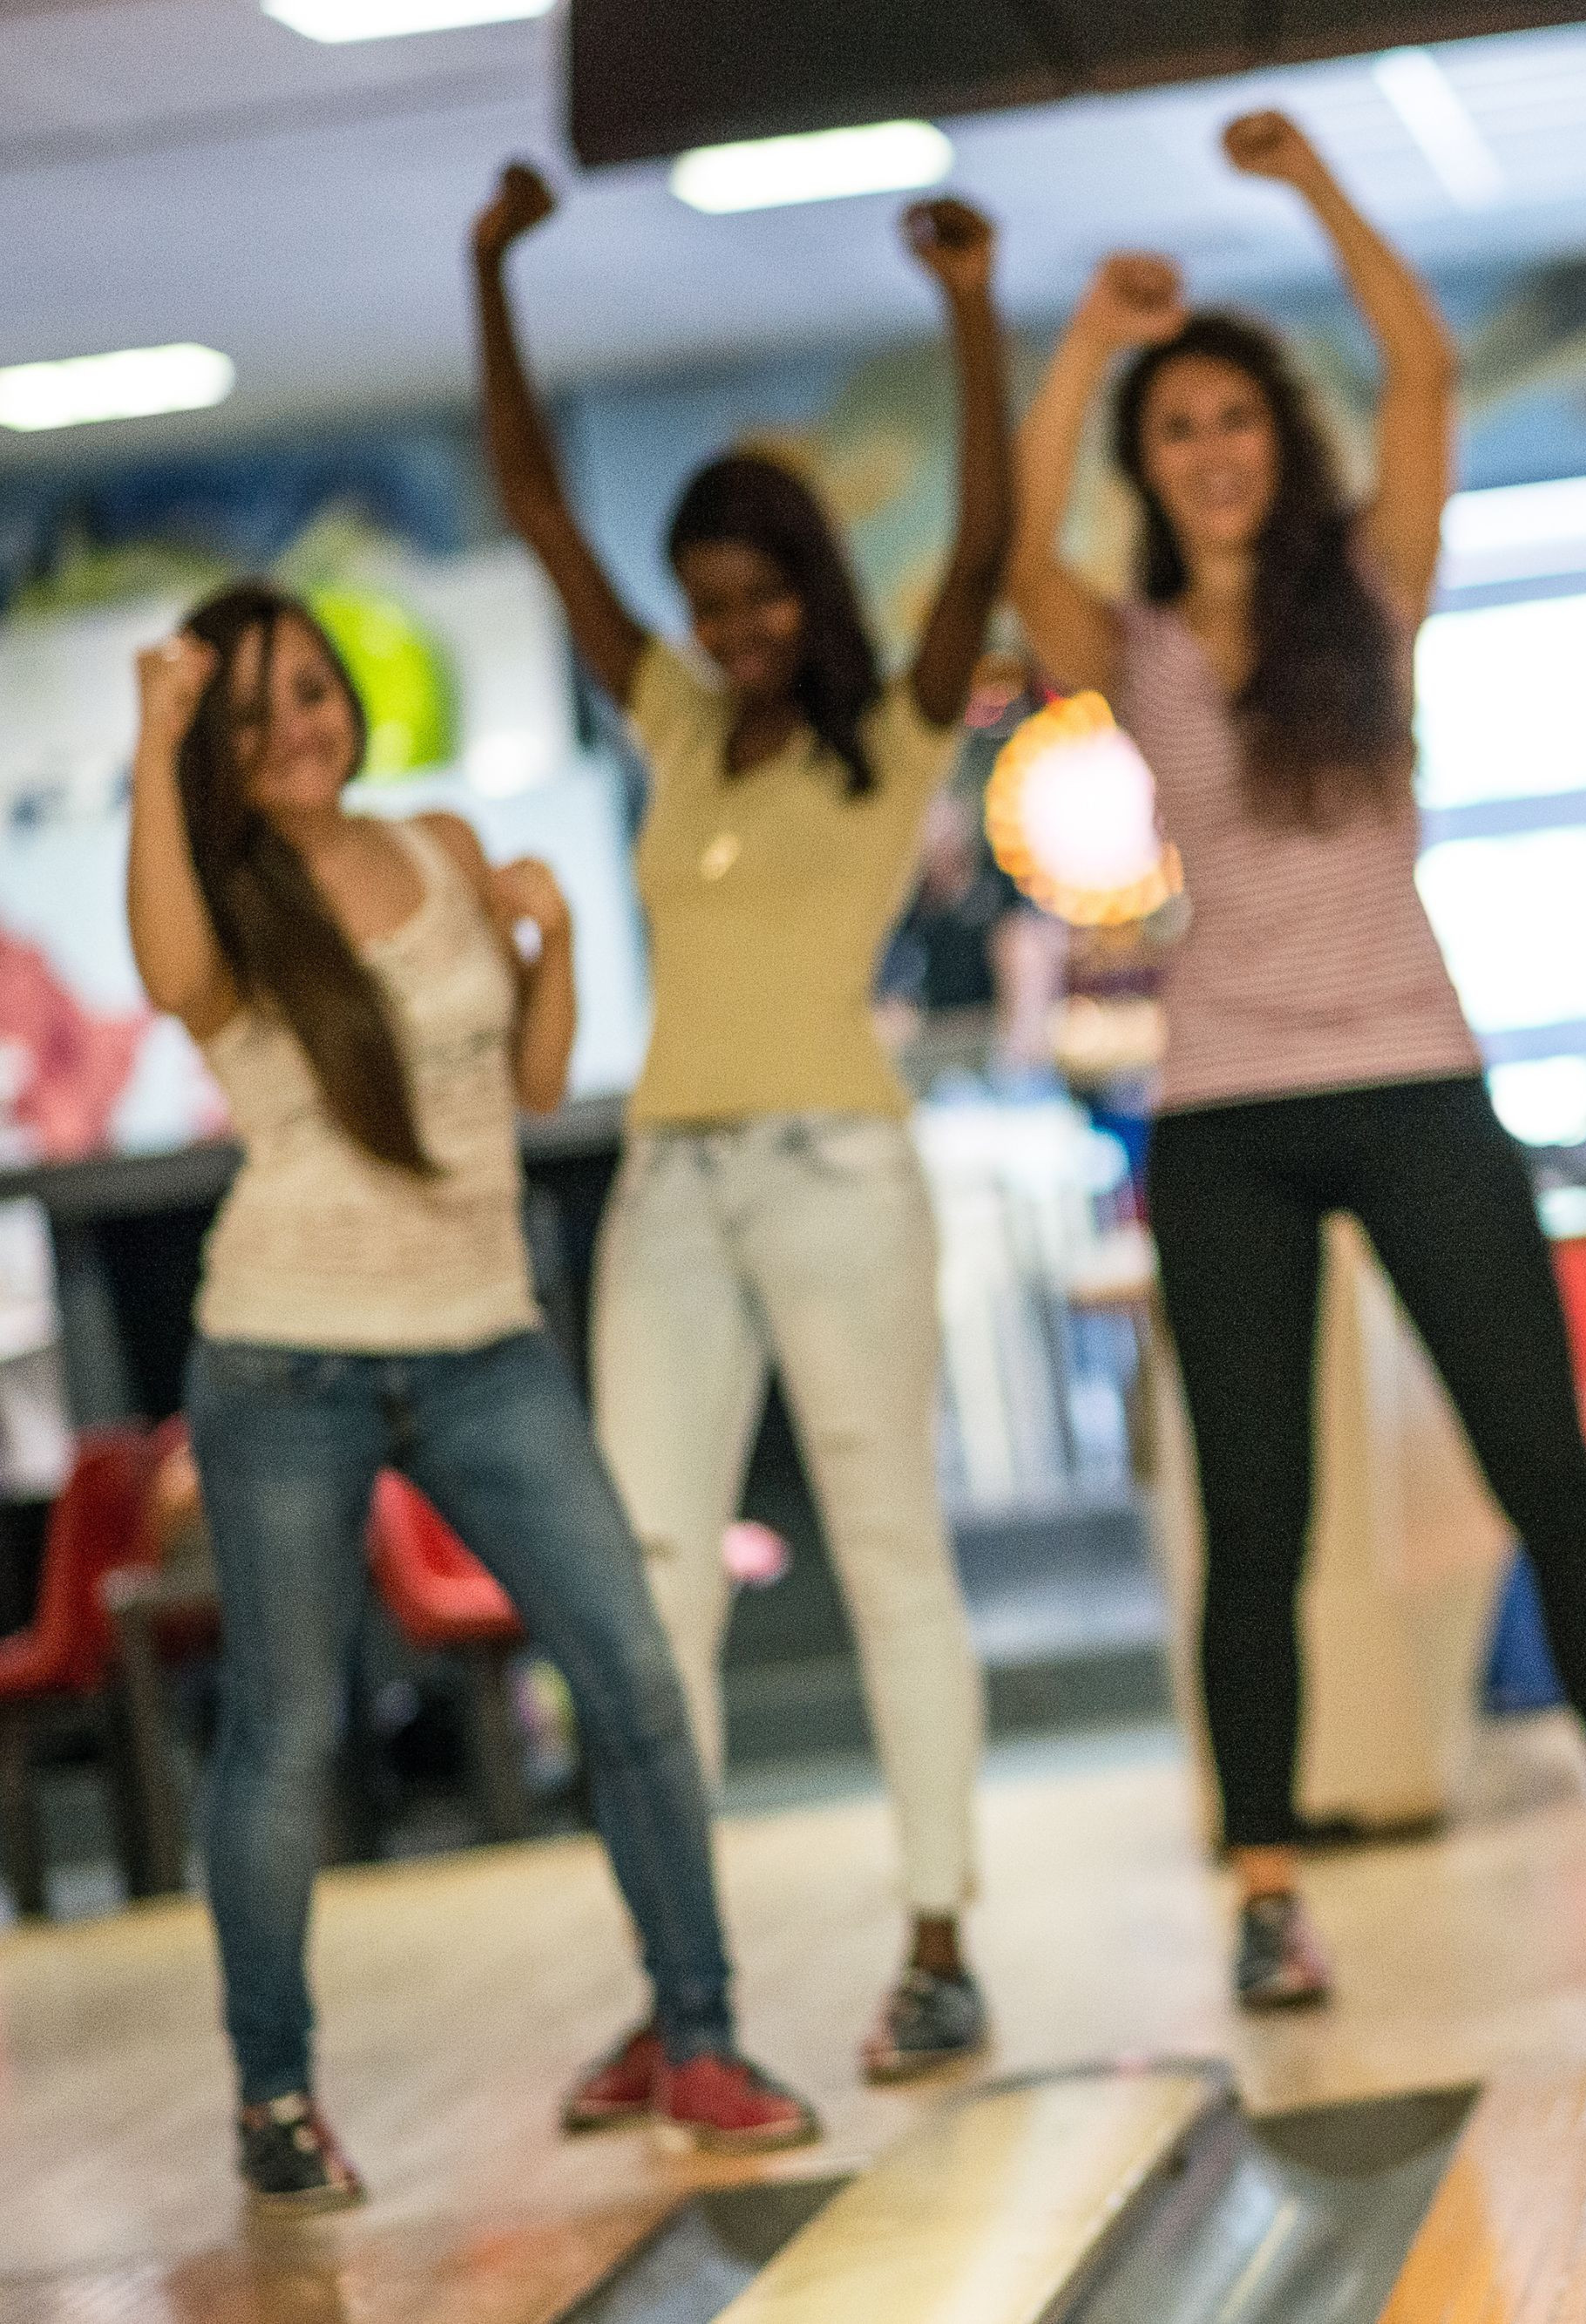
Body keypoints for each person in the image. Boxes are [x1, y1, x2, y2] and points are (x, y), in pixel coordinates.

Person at [1007, 108, 1586, 2008]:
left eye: (1234, 420)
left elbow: (1420, 364)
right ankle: (1265, 1889)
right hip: (1225, 1110)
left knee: (1543, 1472)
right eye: (1177, 435)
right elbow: (1014, 542)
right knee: (1256, 1524)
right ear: (1150, 469)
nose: (1212, 454)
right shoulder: (1134, 643)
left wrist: (1313, 189)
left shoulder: (1370, 587)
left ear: (1277, 441)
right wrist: (1085, 341)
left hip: (1414, 1080)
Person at [125, 586, 818, 2215]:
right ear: (215, 754)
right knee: (286, 1734)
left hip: (484, 1340)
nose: (293, 727)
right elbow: (165, 974)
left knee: (634, 1675)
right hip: (283, 1352)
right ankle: (275, 2097)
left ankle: (694, 2034)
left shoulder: (438, 845)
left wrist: (558, 941)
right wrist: (155, 737)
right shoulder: (220, 895)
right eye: (249, 716)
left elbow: (521, 1082)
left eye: (308, 690)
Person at [470, 161, 1013, 2084]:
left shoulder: (896, 727)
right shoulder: (681, 724)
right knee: (646, 1580)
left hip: (837, 1170)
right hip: (671, 1180)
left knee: (886, 1551)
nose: (731, 630)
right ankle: (678, 1989)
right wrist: (488, 275)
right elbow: (538, 511)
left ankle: (939, 1940)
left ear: (808, 586)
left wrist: (969, 305)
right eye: (706, 606)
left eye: (759, 593)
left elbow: (977, 554)